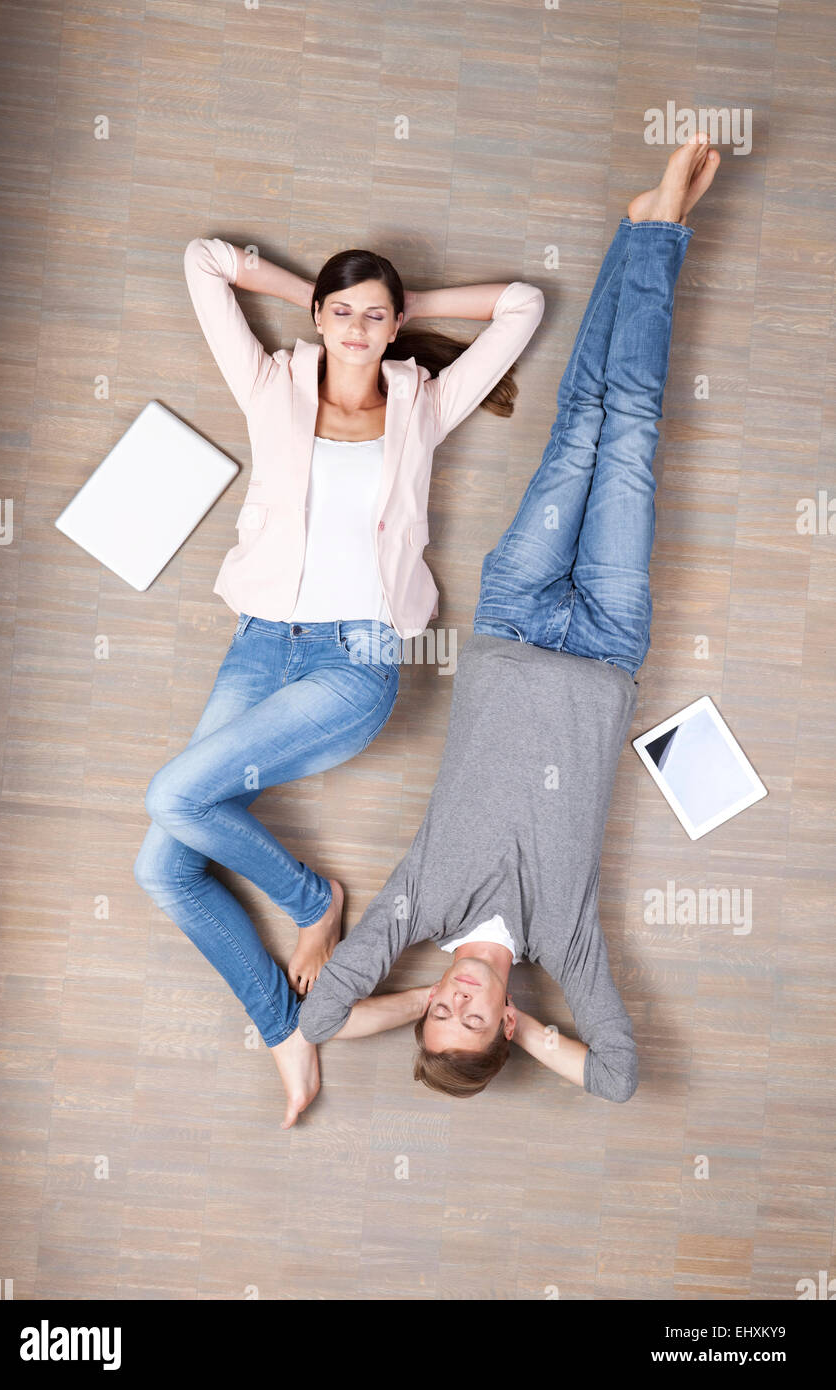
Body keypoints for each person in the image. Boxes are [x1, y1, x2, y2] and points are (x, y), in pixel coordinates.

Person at [295, 133, 722, 1108]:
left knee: (583, 423)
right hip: (607, 642)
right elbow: (614, 1077)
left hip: (513, 617)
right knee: (633, 432)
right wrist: (536, 1033)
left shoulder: (418, 905)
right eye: (470, 1020)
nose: (454, 1002)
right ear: (500, 1022)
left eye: (438, 1011)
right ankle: (646, 229)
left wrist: (399, 1006)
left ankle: (652, 228)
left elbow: (318, 1018)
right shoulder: (563, 939)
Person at [133, 230, 544, 1127]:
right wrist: (318, 293)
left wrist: (407, 306)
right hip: (258, 644)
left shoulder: (423, 404)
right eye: (342, 312)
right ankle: (286, 1018)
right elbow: (203, 259)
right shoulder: (271, 384)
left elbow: (523, 306)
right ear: (317, 318)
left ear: (395, 326)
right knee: (162, 866)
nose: (358, 328)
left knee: (173, 797)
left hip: (358, 662)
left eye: (376, 315)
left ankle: (312, 903)